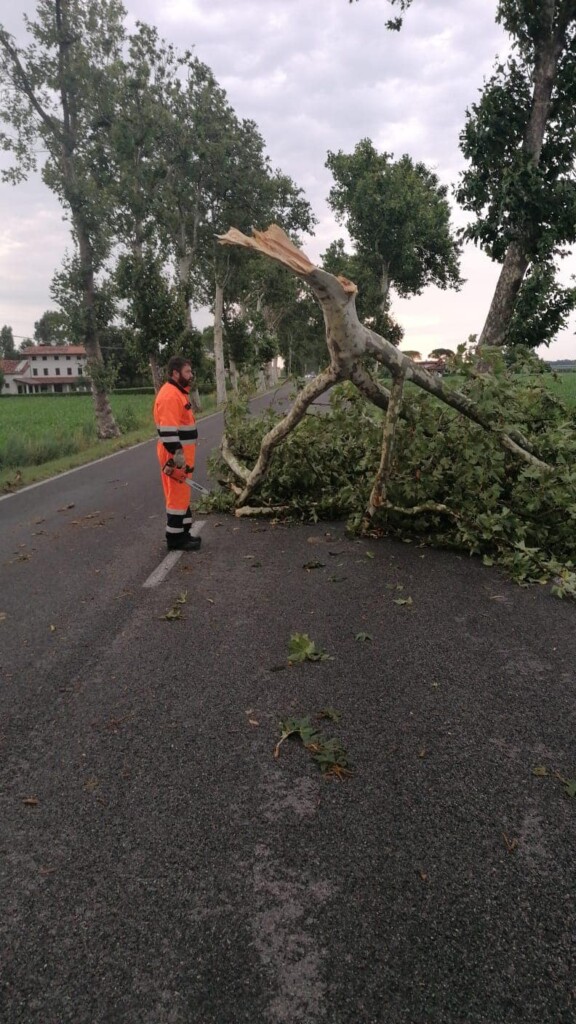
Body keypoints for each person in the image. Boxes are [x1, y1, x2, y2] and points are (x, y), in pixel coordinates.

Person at [153, 356, 201, 552]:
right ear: (175, 373)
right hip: (175, 456)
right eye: (187, 372)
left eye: (191, 371)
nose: (191, 375)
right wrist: (177, 455)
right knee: (176, 498)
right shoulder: (170, 395)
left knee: (182, 496)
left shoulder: (179, 393)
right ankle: (175, 540)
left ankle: (184, 533)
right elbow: (168, 431)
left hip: (182, 455)